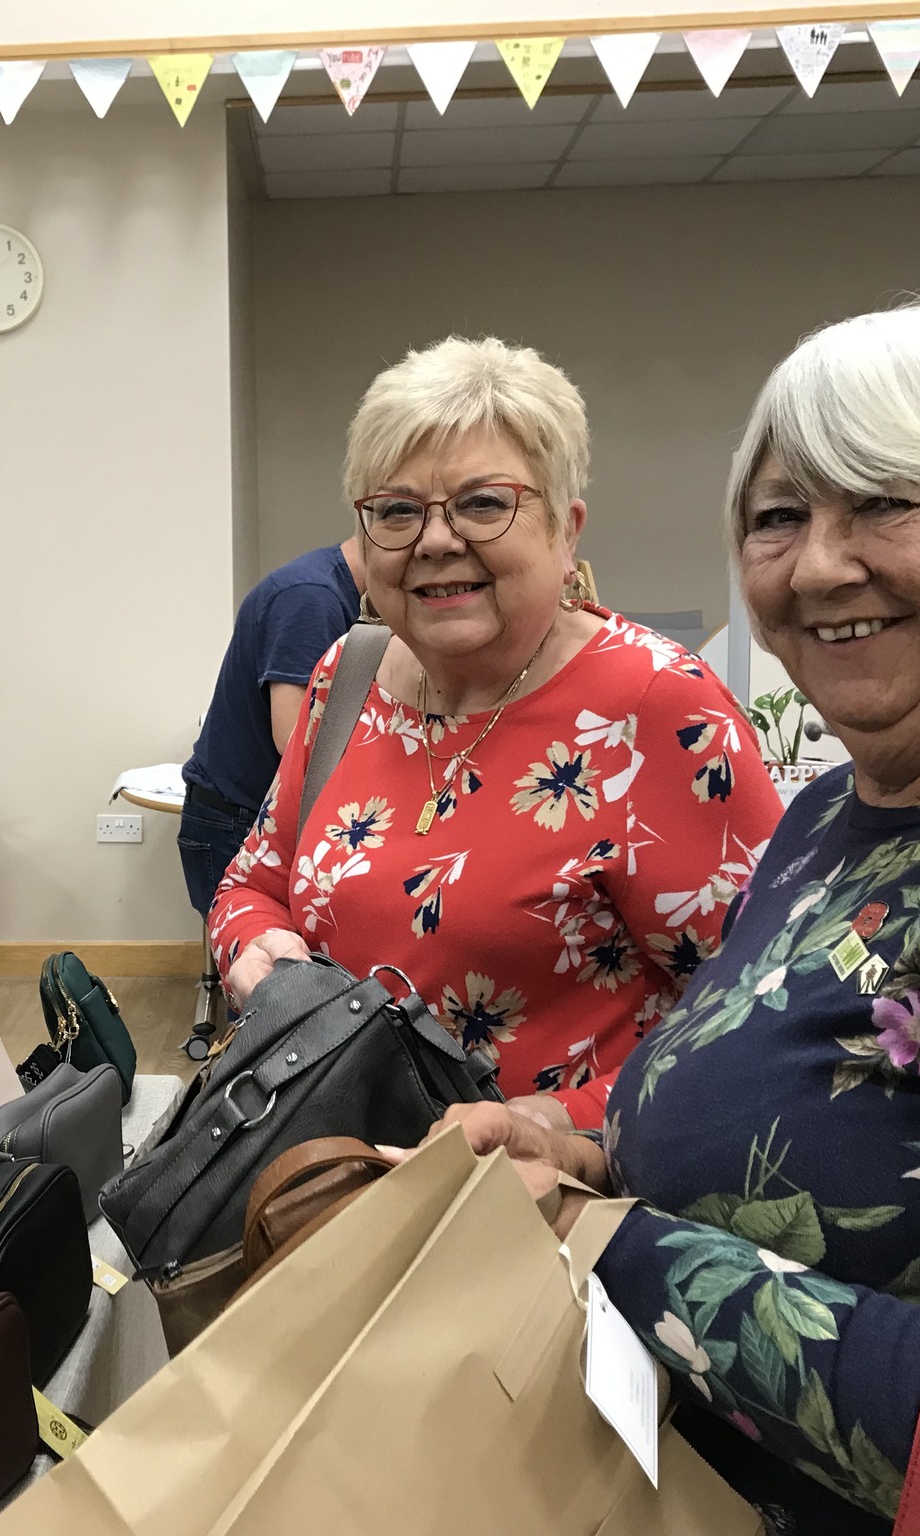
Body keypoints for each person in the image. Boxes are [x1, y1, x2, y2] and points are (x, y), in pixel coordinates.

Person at [412, 304, 920, 1534]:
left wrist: (601, 1241)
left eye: (886, 502)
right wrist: (577, 1151)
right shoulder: (843, 804)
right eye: (778, 517)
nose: (814, 567)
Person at [210, 337, 782, 1128]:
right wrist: (254, 951)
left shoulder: (655, 706)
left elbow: (757, 1015)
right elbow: (252, 884)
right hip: (330, 1171)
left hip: (543, 1206)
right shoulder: (348, 674)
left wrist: (558, 1126)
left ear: (565, 528)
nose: (436, 540)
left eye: (484, 503)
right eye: (398, 511)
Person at [178, 539, 364, 916]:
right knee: (270, 967)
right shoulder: (312, 598)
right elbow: (295, 737)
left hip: (246, 811)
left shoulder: (324, 586)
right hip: (238, 822)